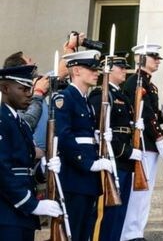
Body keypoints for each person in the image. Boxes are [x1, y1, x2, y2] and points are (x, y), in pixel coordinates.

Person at [55, 50, 114, 241]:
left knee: (84, 231)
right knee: (74, 229)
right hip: (76, 175)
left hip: (87, 178)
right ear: (77, 70)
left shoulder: (85, 101)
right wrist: (88, 163)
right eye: (91, 69)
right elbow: (64, 137)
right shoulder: (65, 98)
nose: (96, 73)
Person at [0, 65, 63, 240]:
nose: (29, 93)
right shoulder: (2, 121)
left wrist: (44, 168)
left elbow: (25, 165)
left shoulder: (21, 123)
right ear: (5, 88)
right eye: (23, 88)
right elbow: (2, 170)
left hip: (22, 214)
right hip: (6, 213)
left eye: (30, 88)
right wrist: (31, 204)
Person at [121, 43, 163, 241]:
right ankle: (129, 233)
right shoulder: (135, 82)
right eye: (153, 57)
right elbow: (145, 113)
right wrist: (158, 136)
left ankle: (138, 230)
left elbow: (154, 113)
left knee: (145, 192)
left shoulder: (150, 85)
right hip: (141, 142)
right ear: (141, 59)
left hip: (149, 144)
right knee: (138, 191)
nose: (157, 60)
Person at [89, 56, 140, 241]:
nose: (124, 71)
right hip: (113, 158)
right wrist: (125, 151)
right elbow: (102, 130)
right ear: (108, 69)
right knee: (107, 212)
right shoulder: (101, 94)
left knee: (120, 211)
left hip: (125, 161)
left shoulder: (122, 96)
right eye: (120, 67)